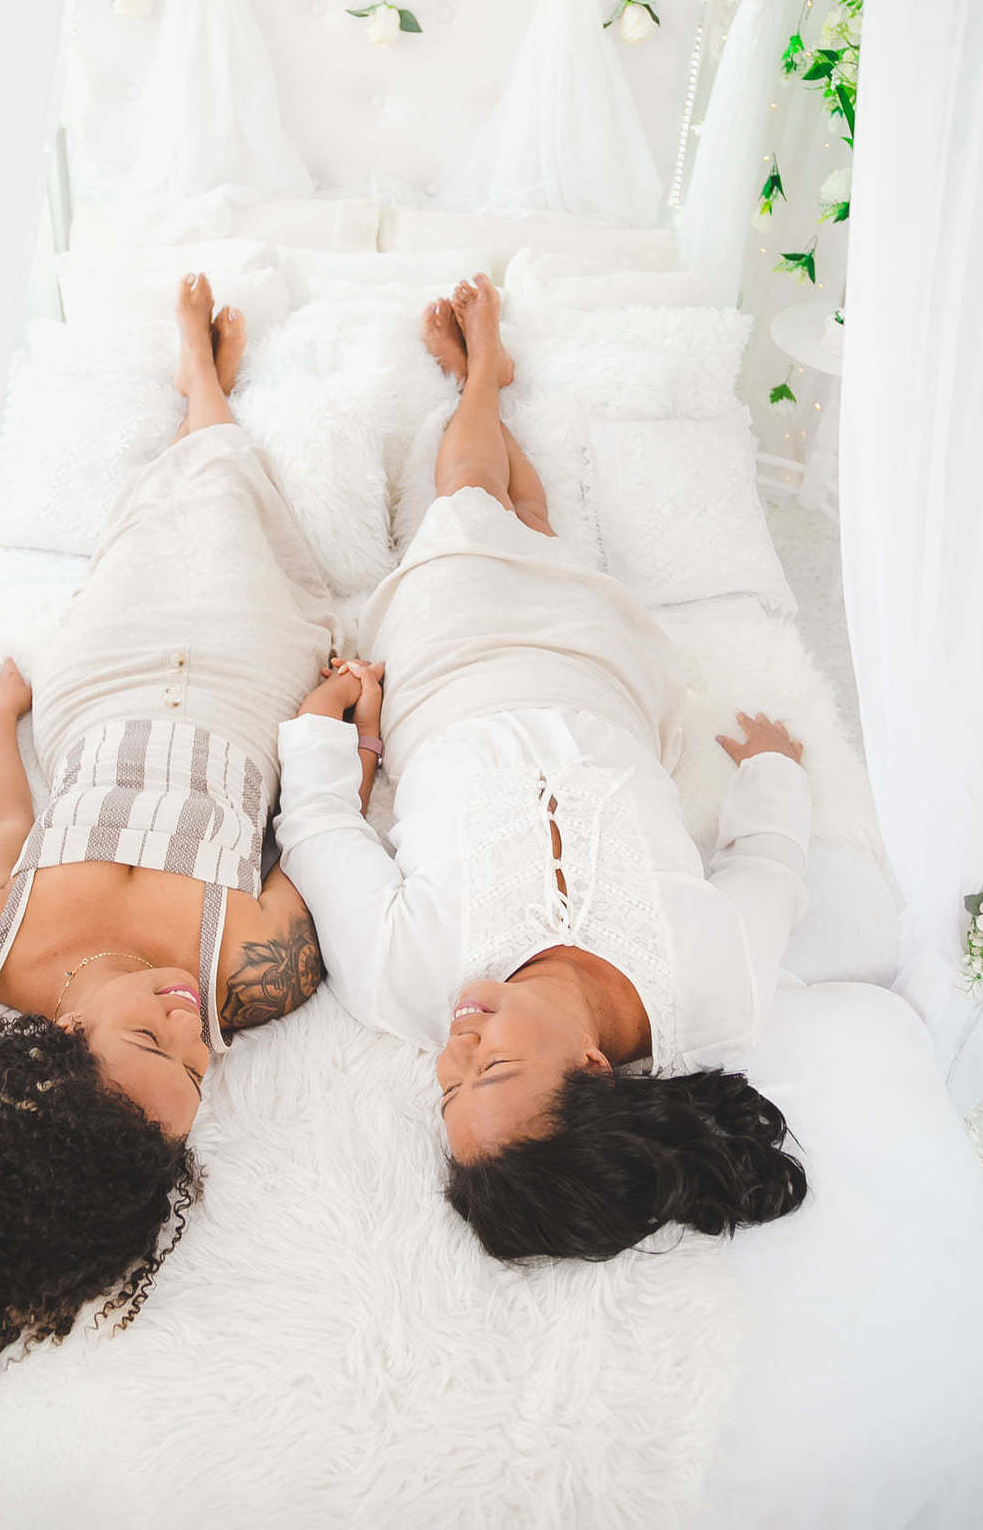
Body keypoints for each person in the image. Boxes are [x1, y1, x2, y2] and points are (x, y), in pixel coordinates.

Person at [0, 277, 339, 1425]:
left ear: (49, 1057)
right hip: (243, 690)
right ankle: (204, 392)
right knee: (227, 514)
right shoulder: (251, 980)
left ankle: (197, 389)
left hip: (103, 685)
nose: (190, 1023)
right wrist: (343, 726)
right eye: (199, 1065)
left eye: (150, 1037)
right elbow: (326, 830)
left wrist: (1, 721)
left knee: (144, 535)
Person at [274, 275, 812, 1262]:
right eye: (491, 1068)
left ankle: (481, 379)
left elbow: (316, 829)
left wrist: (321, 726)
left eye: (447, 1085)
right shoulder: (717, 989)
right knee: (535, 527)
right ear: (596, 1070)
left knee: (469, 506)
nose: (455, 1049)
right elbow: (768, 863)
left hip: (452, 672)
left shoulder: (406, 981)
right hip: (602, 676)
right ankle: (485, 381)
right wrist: (774, 770)